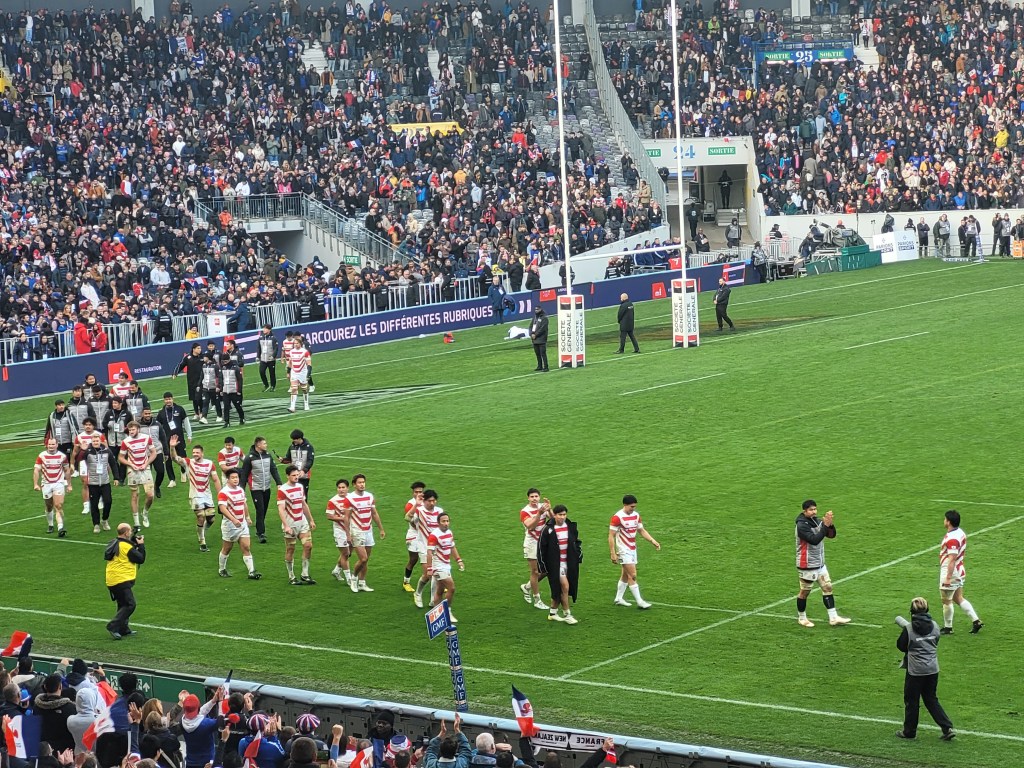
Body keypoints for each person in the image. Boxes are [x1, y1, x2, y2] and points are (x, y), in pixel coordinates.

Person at [894, 597, 956, 741]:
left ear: (911, 611)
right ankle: (947, 728)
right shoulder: (934, 626)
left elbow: (901, 646)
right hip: (933, 669)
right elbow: (935, 641)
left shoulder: (909, 629)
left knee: (912, 701)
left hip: (915, 671)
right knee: (931, 699)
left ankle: (909, 732)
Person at [795, 500, 850, 628]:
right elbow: (814, 540)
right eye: (811, 510)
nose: (814, 512)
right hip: (807, 564)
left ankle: (833, 617)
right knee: (804, 592)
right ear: (804, 511)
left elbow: (831, 535)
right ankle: (802, 618)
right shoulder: (801, 525)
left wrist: (830, 525)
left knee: (828, 587)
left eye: (815, 509)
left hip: (819, 563)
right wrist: (824, 526)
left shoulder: (816, 520)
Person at [169, 437, 222, 553]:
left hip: (207, 495)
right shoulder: (189, 462)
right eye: (193, 453)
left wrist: (221, 495)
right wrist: (172, 447)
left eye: (197, 452)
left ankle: (202, 531)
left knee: (211, 519)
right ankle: (202, 541)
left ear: (202, 453)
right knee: (201, 516)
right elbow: (174, 458)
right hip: (195, 495)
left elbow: (216, 479)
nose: (195, 454)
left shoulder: (209, 464)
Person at [609, 494, 660, 609]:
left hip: (632, 548)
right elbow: (611, 536)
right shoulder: (617, 517)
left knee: (625, 575)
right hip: (623, 550)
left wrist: (653, 541)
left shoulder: (636, 516)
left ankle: (618, 598)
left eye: (634, 507)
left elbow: (641, 530)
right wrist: (613, 552)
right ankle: (640, 602)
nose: (633, 509)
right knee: (633, 575)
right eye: (631, 507)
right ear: (625, 505)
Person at [938, 510, 983, 635]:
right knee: (958, 598)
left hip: (951, 571)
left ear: (949, 522)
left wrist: (947, 577)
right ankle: (976, 621)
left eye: (945, 519)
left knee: (946, 600)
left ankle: (948, 627)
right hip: (960, 569)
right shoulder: (960, 532)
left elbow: (952, 559)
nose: (944, 521)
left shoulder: (952, 539)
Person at [537, 504, 581, 624]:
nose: (562, 517)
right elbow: (541, 549)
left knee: (559, 590)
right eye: (560, 515)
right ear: (554, 515)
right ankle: (567, 615)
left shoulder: (570, 527)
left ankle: (553, 613)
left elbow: (576, 542)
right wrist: (542, 566)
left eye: (564, 514)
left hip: (569, 564)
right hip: (556, 565)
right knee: (565, 587)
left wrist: (578, 555)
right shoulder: (548, 530)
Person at [216, 469, 262, 579]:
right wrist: (233, 519)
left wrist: (247, 517)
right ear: (227, 479)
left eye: (237, 477)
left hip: (242, 524)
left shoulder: (241, 490)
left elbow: (244, 504)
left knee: (246, 547)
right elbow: (222, 508)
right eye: (233, 477)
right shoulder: (223, 492)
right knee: (227, 548)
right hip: (230, 526)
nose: (236, 479)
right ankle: (222, 569)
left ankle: (252, 571)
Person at [104, 522, 146, 640]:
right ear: (126, 532)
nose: (131, 533)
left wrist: (134, 541)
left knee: (122, 604)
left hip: (112, 579)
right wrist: (141, 545)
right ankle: (113, 626)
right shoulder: (126, 547)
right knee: (130, 604)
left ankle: (123, 629)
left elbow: (127, 547)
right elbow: (140, 558)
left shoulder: (115, 542)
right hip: (121, 579)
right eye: (130, 532)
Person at [277, 465, 317, 585]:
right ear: (287, 476)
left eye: (297, 475)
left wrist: (311, 519)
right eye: (293, 475)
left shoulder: (300, 487)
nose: (296, 477)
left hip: (302, 521)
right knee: (290, 549)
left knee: (308, 546)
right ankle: (291, 576)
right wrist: (286, 525)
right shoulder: (282, 490)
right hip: (290, 524)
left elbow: (303, 504)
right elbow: (281, 509)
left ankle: (305, 574)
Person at [239, 436, 282, 544]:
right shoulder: (249, 458)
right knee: (260, 509)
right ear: (258, 445)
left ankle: (260, 527)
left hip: (267, 487)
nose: (266, 445)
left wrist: (279, 483)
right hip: (255, 488)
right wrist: (241, 489)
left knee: (264, 509)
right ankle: (261, 533)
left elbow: (273, 469)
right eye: (264, 443)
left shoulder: (268, 455)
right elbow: (244, 474)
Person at [348, 473, 385, 594]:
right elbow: (346, 517)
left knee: (366, 559)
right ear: (354, 484)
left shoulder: (369, 496)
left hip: (368, 529)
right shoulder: (349, 498)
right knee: (363, 558)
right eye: (359, 482)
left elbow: (374, 513)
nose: (362, 484)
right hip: (357, 530)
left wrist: (381, 528)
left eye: (363, 482)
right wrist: (348, 533)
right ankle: (353, 578)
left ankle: (362, 583)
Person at [426, 512, 465, 623]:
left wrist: (459, 560)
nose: (446, 523)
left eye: (447, 521)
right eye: (443, 521)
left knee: (440, 590)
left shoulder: (449, 533)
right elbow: (429, 552)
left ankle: (436, 615)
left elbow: (452, 547)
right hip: (438, 567)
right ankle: (447, 611)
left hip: (446, 565)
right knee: (451, 588)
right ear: (438, 523)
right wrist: (429, 568)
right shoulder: (434, 535)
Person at [119, 421, 157, 530]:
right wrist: (131, 464)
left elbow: (154, 452)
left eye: (133, 429)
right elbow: (121, 457)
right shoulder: (125, 442)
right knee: (135, 496)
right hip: (133, 470)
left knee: (150, 495)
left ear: (138, 429)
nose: (131, 432)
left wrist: (146, 463)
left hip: (145, 469)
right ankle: (136, 523)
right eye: (129, 430)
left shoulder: (146, 438)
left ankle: (145, 513)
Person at [518, 488, 551, 610]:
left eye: (536, 496)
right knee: (535, 571)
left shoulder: (543, 506)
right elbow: (531, 527)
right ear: (528, 498)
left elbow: (553, 520)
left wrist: (550, 509)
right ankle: (537, 599)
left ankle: (526, 587)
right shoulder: (524, 512)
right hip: (531, 543)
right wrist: (539, 513)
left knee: (547, 570)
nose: (534, 499)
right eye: (532, 497)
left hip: (543, 542)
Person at [35, 437, 71, 537]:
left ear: (57, 445)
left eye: (53, 444)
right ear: (47, 445)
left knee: (58, 505)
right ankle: (51, 524)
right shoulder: (42, 456)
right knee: (49, 506)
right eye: (49, 444)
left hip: (58, 483)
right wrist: (35, 484)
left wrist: (69, 484)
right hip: (46, 484)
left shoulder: (62, 456)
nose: (51, 446)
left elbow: (67, 470)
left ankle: (60, 527)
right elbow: (36, 470)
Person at [157, 392, 192, 489]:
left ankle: (183, 472)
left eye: (169, 399)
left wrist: (189, 435)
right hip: (166, 440)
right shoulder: (161, 413)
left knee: (182, 457)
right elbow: (158, 427)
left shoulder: (179, 409)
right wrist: (159, 440)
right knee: (168, 459)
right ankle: (172, 480)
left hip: (179, 438)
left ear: (173, 399)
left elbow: (186, 422)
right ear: (164, 400)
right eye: (166, 399)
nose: (168, 401)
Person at [84, 433, 117, 534]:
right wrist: (83, 450)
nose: (95, 443)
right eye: (93, 441)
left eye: (97, 441)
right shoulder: (88, 452)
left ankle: (105, 519)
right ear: (91, 442)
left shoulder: (107, 451)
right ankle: (96, 524)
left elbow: (113, 463)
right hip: (93, 483)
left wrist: (116, 477)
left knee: (108, 501)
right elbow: (80, 459)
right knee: (94, 505)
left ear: (100, 441)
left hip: (105, 481)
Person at [326, 478, 353, 586]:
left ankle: (336, 570)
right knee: (345, 553)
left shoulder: (352, 498)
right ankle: (349, 579)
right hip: (340, 530)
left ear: (347, 488)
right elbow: (329, 516)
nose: (341, 490)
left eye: (343, 487)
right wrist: (344, 518)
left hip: (352, 529)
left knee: (349, 552)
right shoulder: (333, 501)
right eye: (339, 488)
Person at [138, 408, 170, 499]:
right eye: (146, 413)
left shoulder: (157, 424)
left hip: (157, 451)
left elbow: (163, 438)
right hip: (145, 453)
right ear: (142, 414)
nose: (147, 415)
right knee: (147, 473)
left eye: (149, 413)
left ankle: (157, 486)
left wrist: (166, 452)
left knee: (161, 471)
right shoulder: (139, 425)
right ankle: (149, 490)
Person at [401, 481, 426, 591]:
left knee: (432, 558)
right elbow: (411, 522)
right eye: (416, 492)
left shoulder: (427, 502)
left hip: (425, 534)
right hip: (414, 535)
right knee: (414, 559)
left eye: (420, 491)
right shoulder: (410, 504)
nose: (419, 494)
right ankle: (406, 582)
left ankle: (439, 582)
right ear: (413, 493)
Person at [172, 343, 205, 419]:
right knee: (194, 398)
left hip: (201, 380)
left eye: (200, 348)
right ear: (193, 349)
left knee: (199, 397)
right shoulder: (188, 357)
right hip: (191, 381)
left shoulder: (203, 357)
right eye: (198, 348)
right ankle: (196, 413)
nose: (200, 350)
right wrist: (175, 373)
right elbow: (180, 365)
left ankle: (202, 413)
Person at [278, 429, 315, 498]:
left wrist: (304, 470)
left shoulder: (309, 447)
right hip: (293, 475)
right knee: (293, 495)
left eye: (295, 439)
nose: (293, 441)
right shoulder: (291, 447)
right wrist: (283, 460)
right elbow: (288, 459)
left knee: (303, 497)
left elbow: (310, 460)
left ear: (300, 438)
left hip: (304, 476)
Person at [285, 336, 312, 413]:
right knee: (294, 389)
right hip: (294, 373)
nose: (295, 345)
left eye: (297, 343)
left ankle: (306, 404)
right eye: (294, 343)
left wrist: (308, 374)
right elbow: (290, 362)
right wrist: (288, 372)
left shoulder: (305, 352)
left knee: (304, 389)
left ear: (300, 344)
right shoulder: (291, 352)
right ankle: (292, 407)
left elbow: (309, 364)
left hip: (303, 373)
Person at [219, 353, 245, 427]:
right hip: (225, 390)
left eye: (226, 361)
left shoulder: (235, 368)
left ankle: (242, 418)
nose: (225, 362)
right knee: (226, 407)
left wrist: (239, 390)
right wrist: (221, 389)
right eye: (224, 361)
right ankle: (226, 422)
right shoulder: (222, 368)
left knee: (238, 406)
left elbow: (240, 379)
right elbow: (221, 379)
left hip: (234, 391)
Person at [197, 354, 222, 425]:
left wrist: (218, 386)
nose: (203, 358)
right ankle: (204, 417)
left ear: (208, 358)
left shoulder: (215, 366)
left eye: (204, 357)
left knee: (216, 402)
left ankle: (219, 415)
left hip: (214, 388)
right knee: (205, 402)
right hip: (205, 388)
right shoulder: (204, 366)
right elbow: (202, 376)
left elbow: (219, 377)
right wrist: (199, 385)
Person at [256, 325, 280, 392]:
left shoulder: (273, 338)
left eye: (265, 328)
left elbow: (276, 348)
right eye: (263, 328)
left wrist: (273, 356)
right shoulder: (260, 337)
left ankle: (273, 386)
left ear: (269, 330)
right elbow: (258, 348)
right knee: (261, 371)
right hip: (263, 359)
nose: (263, 330)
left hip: (271, 359)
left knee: (272, 373)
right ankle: (266, 385)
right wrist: (258, 356)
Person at [528, 307, 549, 372]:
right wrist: (531, 334)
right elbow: (530, 326)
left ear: (541, 310)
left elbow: (543, 329)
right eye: (535, 309)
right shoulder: (535, 318)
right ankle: (539, 366)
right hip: (534, 339)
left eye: (537, 309)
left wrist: (535, 335)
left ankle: (546, 367)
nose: (536, 311)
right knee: (537, 354)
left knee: (543, 353)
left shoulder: (544, 318)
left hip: (541, 339)